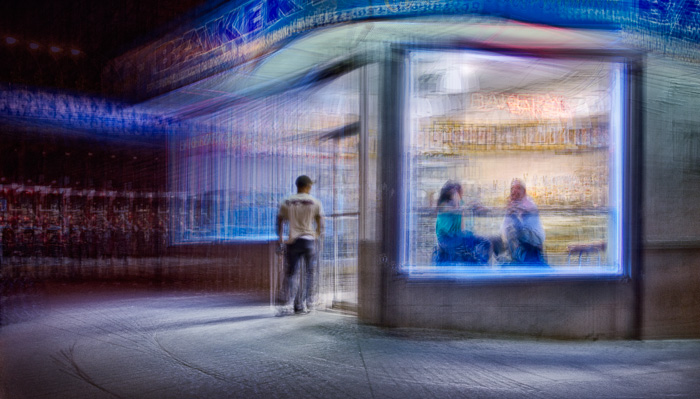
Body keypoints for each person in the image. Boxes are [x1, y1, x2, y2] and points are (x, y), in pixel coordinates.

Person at [276, 175, 324, 316]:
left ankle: (286, 303)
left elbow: (280, 221)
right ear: (307, 186)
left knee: (291, 273)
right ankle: (302, 304)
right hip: (308, 241)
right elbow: (320, 220)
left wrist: (280, 239)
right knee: (309, 273)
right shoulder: (315, 202)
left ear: (297, 186)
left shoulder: (286, 201)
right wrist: (317, 234)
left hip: (293, 241)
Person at [434, 180, 491, 264]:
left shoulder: (458, 203)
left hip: (455, 238)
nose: (460, 195)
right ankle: (480, 265)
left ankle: (478, 265)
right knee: (483, 243)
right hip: (447, 240)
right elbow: (456, 208)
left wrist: (481, 207)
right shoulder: (445, 205)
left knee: (482, 243)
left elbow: (464, 208)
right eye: (459, 193)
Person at [499, 179, 546, 265]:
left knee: (512, 230)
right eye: (512, 188)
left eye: (518, 188)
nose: (514, 191)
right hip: (518, 244)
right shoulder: (511, 205)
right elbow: (503, 228)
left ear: (524, 191)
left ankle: (517, 260)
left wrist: (516, 213)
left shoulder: (529, 204)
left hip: (532, 242)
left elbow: (523, 227)